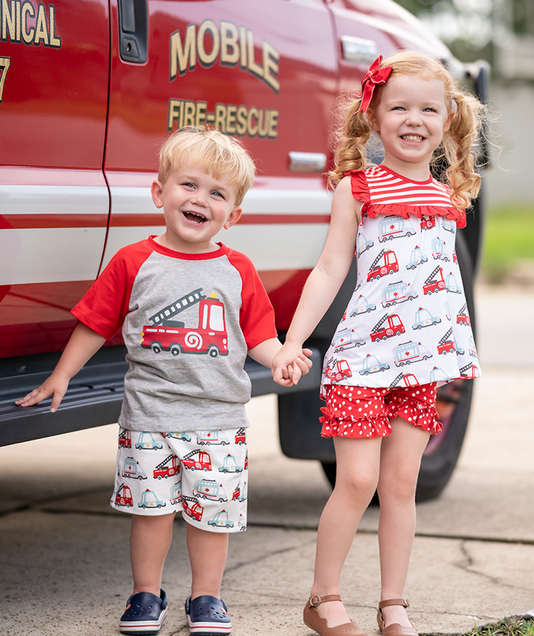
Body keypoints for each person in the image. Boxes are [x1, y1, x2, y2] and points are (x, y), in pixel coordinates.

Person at [16, 127, 312, 636]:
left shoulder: (238, 269)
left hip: (218, 421)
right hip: (149, 415)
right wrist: (61, 375)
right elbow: (95, 323)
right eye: (189, 186)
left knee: (209, 517)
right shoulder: (134, 261)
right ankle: (145, 594)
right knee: (150, 512)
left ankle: (207, 598)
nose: (200, 200)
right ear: (160, 193)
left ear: (233, 215)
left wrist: (283, 357)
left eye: (217, 194)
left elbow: (259, 335)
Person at [272, 50, 484, 636]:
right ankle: (324, 599)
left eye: (428, 110)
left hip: (420, 368)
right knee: (358, 481)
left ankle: (393, 606)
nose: (413, 121)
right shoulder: (357, 189)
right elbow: (328, 269)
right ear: (374, 115)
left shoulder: (449, 199)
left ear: (447, 120)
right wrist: (291, 342)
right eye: (399, 108)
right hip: (362, 360)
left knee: (400, 486)